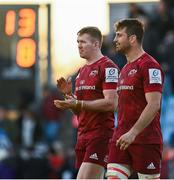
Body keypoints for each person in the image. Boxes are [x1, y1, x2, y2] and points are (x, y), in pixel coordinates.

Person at [54, 26, 119, 179]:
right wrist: (69, 97)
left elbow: (111, 104)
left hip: (100, 134)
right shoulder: (81, 71)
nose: (79, 46)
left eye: (83, 42)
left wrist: (79, 103)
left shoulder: (108, 67)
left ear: (96, 44)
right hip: (83, 135)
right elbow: (78, 110)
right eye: (78, 42)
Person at [106, 19, 165, 179]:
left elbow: (154, 104)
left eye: (119, 35)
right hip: (121, 138)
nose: (115, 40)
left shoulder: (150, 66)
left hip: (145, 139)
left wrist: (133, 133)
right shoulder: (124, 69)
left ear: (132, 39)